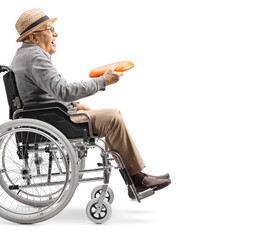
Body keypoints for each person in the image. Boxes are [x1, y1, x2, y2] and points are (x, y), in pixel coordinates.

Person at [10, 8, 171, 199]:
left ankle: (137, 178)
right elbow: (64, 91)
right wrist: (103, 82)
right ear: (34, 36)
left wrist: (75, 105)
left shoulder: (25, 55)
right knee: (112, 117)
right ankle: (136, 179)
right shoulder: (35, 57)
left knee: (110, 116)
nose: (56, 33)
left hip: (49, 116)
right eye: (49, 28)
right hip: (52, 121)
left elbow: (47, 93)